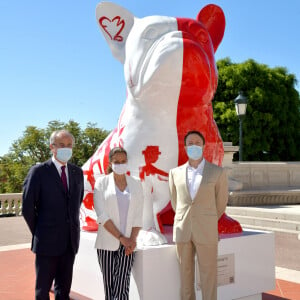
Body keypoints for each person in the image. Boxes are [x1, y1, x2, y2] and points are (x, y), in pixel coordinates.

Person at [22, 129, 84, 300]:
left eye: (69, 145)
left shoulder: (77, 172)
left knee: (64, 290)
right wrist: (41, 231)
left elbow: (76, 203)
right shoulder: (39, 171)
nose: (67, 148)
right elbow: (27, 208)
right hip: (46, 242)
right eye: (62, 145)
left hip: (69, 243)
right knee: (43, 290)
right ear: (52, 147)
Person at [169, 130, 228, 300]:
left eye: (197, 143)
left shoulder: (217, 172)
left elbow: (221, 203)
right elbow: (176, 202)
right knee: (185, 277)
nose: (193, 146)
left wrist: (207, 218)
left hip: (206, 230)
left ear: (203, 146)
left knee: (209, 276)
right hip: (183, 229)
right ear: (185, 147)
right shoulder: (175, 173)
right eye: (190, 143)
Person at [94, 147, 144, 300]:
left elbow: (138, 215)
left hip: (129, 244)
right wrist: (122, 238)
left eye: (123, 161)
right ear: (111, 162)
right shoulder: (101, 183)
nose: (120, 164)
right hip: (107, 244)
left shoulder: (136, 183)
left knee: (122, 285)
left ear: (127, 162)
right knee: (110, 287)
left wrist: (132, 240)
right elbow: (102, 216)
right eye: (117, 162)